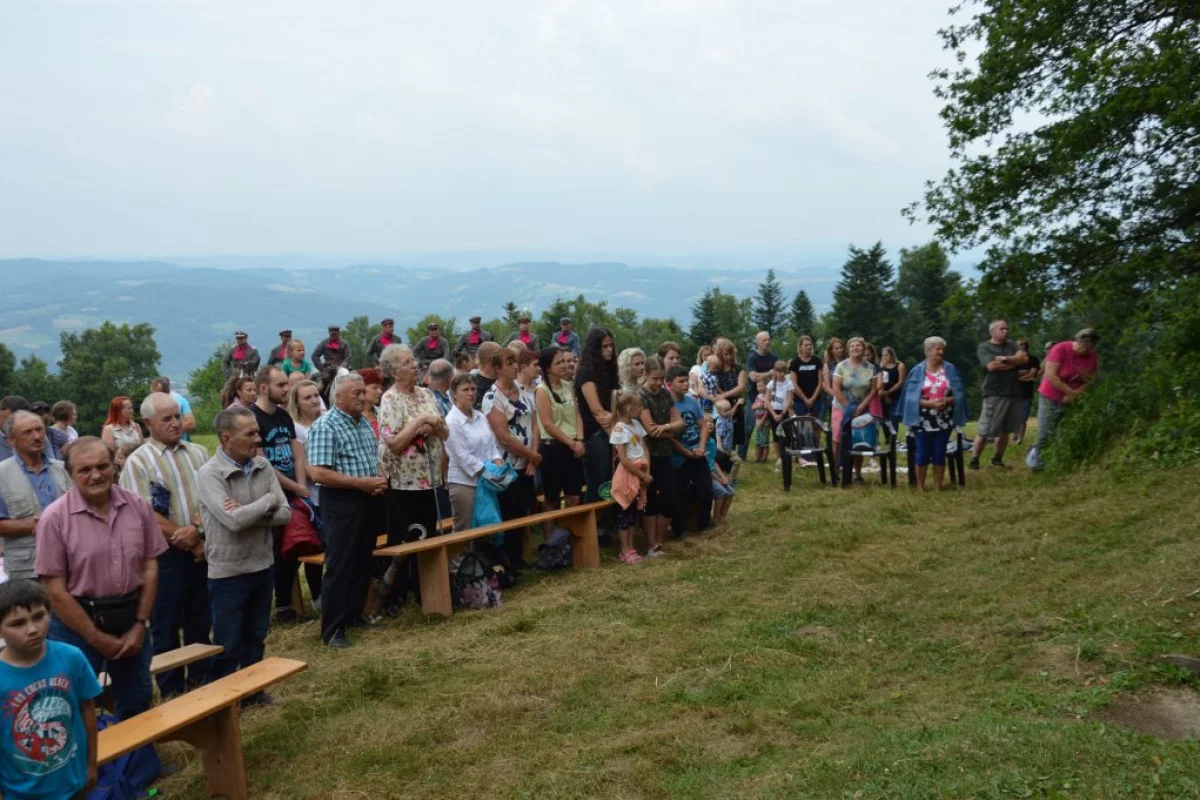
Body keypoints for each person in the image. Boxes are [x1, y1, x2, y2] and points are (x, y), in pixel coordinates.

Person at [36, 437, 163, 720]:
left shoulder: (138, 506)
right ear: (70, 474)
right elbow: (54, 591)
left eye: (102, 466)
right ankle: (83, 764)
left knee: (137, 697)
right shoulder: (54, 519)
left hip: (131, 618)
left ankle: (138, 762)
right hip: (76, 626)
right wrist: (96, 638)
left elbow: (150, 567)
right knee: (71, 703)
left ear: (114, 466)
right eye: (85, 469)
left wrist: (140, 624)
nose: (95, 475)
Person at [119, 393, 212, 697]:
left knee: (201, 616)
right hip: (164, 556)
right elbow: (143, 514)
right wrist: (185, 538)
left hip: (202, 548)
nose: (176, 423)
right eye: (167, 419)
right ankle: (172, 687)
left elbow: (211, 499)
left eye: (178, 416)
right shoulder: (138, 462)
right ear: (147, 423)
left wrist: (198, 532)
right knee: (166, 621)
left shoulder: (198, 453)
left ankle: (201, 677)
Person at [197, 408, 291, 693]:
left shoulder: (262, 465)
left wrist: (251, 511)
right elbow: (233, 521)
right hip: (229, 572)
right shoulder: (209, 474)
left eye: (257, 432)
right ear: (227, 438)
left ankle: (253, 693)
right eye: (250, 433)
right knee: (228, 641)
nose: (258, 439)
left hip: (263, 564)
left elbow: (285, 513)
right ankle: (224, 699)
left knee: (257, 635)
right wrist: (266, 502)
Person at [305, 373, 388, 648]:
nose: (362, 398)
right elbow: (317, 472)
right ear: (338, 397)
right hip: (341, 501)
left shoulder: (363, 421)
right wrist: (358, 483)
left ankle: (354, 615)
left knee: (363, 560)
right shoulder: (326, 426)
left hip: (367, 498)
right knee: (340, 564)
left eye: (363, 392)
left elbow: (371, 458)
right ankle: (332, 629)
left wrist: (376, 480)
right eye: (356, 393)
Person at [0, 580, 103, 799]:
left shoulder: (71, 657)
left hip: (73, 783)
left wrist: (91, 764)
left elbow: (87, 710)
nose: (33, 629)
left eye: (39, 616)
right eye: (17, 623)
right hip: (21, 792)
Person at [377, 345, 448, 609]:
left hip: (430, 480)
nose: (415, 365)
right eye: (408, 362)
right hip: (403, 483)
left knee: (428, 536)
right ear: (394, 371)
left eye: (414, 361)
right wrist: (423, 422)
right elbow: (395, 443)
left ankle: (425, 591)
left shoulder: (427, 394)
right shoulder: (390, 399)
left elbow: (444, 431)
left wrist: (432, 423)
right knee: (402, 539)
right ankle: (395, 595)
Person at [250, 366, 311, 624]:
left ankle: (287, 605)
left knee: (292, 549)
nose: (287, 389)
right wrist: (295, 487)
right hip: (268, 494)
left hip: (293, 492)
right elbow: (263, 464)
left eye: (287, 384)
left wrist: (300, 486)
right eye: (281, 385)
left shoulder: (284, 417)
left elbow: (298, 455)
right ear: (264, 388)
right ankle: (274, 609)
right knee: (274, 552)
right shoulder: (253, 418)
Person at [482, 347, 541, 566]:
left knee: (522, 509)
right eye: (509, 363)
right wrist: (531, 455)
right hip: (507, 464)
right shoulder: (491, 397)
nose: (515, 366)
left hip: (528, 462)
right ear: (497, 368)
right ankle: (506, 562)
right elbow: (504, 436)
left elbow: (534, 423)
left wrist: (533, 458)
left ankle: (518, 558)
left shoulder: (523, 390)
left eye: (515, 362)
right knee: (508, 511)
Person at [0, 412, 70, 580]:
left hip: (67, 562)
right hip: (26, 569)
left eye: (40, 430)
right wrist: (43, 523)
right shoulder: (2, 474)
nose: (37, 436)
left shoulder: (63, 469)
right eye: (27, 432)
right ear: (11, 440)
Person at [900, 337, 968, 490]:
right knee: (923, 453)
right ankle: (920, 486)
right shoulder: (916, 371)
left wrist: (947, 401)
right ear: (928, 351)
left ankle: (938, 486)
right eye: (938, 349)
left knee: (939, 452)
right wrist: (929, 403)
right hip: (922, 419)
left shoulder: (950, 369)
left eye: (942, 349)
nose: (941, 352)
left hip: (944, 418)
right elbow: (909, 397)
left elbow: (960, 393)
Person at [1030, 328, 1100, 465]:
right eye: (1083, 346)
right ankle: (1035, 461)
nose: (1085, 351)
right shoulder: (1060, 349)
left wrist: (1076, 394)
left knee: (1065, 430)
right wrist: (1070, 392)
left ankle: (1059, 461)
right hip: (1051, 395)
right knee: (1046, 432)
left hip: (1074, 398)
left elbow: (1091, 379)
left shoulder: (1091, 356)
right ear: (1078, 340)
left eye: (1089, 348)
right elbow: (1051, 376)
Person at [445, 374, 503, 532]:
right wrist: (490, 473)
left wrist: (499, 464)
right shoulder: (451, 421)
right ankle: (458, 558)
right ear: (454, 393)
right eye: (465, 389)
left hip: (487, 480)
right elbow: (463, 457)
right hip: (465, 483)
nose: (471, 393)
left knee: (487, 527)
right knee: (465, 529)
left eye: (473, 389)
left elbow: (492, 446)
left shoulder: (480, 417)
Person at [535, 347, 585, 532]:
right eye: (559, 363)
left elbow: (577, 414)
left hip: (574, 445)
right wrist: (570, 442)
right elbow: (548, 424)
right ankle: (550, 541)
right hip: (554, 447)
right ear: (548, 368)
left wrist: (579, 440)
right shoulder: (542, 390)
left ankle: (572, 536)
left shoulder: (567, 386)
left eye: (565, 361)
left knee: (574, 496)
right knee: (552, 497)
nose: (564, 365)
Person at [637, 356, 681, 559]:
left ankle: (659, 539)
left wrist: (667, 428)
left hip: (665, 452)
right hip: (647, 454)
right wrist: (672, 431)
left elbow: (679, 421)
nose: (658, 383)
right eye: (655, 378)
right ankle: (651, 544)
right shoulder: (640, 396)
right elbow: (649, 429)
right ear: (645, 374)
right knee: (651, 501)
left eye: (661, 378)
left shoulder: (665, 393)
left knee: (671, 499)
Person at [970, 319, 1028, 470]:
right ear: (992, 331)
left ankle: (997, 459)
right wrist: (1015, 363)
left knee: (1006, 429)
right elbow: (991, 367)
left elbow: (1025, 359)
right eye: (1002, 329)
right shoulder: (985, 347)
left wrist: (1004, 360)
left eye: (1006, 328)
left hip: (1014, 392)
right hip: (994, 392)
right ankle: (974, 460)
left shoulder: (1012, 345)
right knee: (985, 429)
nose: (1005, 331)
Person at [575, 327, 618, 513]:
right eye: (604, 346)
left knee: (609, 482)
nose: (609, 350)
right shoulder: (587, 372)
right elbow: (597, 410)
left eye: (611, 345)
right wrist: (615, 437)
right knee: (597, 483)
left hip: (610, 429)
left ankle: (604, 527)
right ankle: (589, 531)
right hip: (594, 433)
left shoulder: (608, 370)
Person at [667, 365, 712, 539]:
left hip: (698, 453)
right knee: (680, 494)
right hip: (679, 457)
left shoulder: (692, 401)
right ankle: (679, 531)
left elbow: (703, 426)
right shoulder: (668, 405)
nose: (686, 384)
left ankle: (703, 525)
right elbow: (668, 437)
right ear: (670, 384)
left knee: (706, 490)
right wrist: (685, 452)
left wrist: (701, 447)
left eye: (687, 380)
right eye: (681, 381)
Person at [832, 337, 881, 483]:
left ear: (864, 348)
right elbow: (836, 388)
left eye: (859, 345)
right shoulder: (841, 366)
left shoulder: (871, 368)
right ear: (848, 349)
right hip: (841, 407)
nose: (855, 348)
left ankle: (857, 474)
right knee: (837, 440)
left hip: (862, 408)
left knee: (858, 441)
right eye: (852, 346)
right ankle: (836, 472)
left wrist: (860, 408)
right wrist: (849, 407)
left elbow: (873, 390)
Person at [609, 391, 650, 565]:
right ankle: (624, 549)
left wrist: (647, 470)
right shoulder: (619, 429)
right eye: (639, 405)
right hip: (628, 475)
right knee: (625, 512)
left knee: (634, 513)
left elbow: (644, 447)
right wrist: (641, 474)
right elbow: (624, 459)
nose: (642, 408)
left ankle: (632, 547)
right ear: (628, 408)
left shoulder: (636, 425)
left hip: (641, 472)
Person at [711, 338, 748, 458]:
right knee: (721, 435)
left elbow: (741, 387)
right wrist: (721, 395)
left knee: (734, 436)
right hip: (721, 407)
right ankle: (722, 461)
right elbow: (713, 384)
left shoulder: (738, 368)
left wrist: (724, 395)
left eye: (731, 353)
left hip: (736, 405)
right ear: (720, 354)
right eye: (726, 354)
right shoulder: (717, 369)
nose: (729, 357)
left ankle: (731, 462)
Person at [706, 416, 735, 526]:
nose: (709, 424)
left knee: (731, 492)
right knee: (721, 492)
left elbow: (713, 461)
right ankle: (715, 520)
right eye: (706, 422)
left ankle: (721, 517)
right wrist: (718, 479)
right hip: (706, 474)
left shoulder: (712, 441)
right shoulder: (700, 442)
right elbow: (705, 467)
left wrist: (722, 476)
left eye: (711, 422)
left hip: (714, 473)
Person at [151, 376, 197, 442]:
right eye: (153, 393)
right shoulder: (151, 403)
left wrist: (170, 429)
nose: (154, 396)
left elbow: (191, 424)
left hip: (181, 444)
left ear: (167, 391)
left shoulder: (179, 400)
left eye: (157, 393)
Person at [765, 360, 794, 464]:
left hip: (784, 412)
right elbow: (767, 400)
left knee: (787, 434)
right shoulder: (771, 384)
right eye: (779, 371)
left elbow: (789, 400)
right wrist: (774, 414)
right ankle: (779, 458)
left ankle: (787, 455)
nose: (781, 374)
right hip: (773, 412)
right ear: (775, 372)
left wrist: (782, 414)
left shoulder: (789, 383)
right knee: (776, 435)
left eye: (783, 371)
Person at [789, 335, 824, 419]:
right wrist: (805, 399)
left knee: (816, 424)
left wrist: (813, 398)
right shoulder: (795, 362)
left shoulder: (817, 360)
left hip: (815, 399)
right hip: (800, 400)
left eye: (810, 345)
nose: (809, 347)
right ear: (800, 347)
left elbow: (820, 382)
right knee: (801, 424)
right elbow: (794, 383)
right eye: (806, 345)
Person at [1015, 338, 1041, 444]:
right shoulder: (1014, 360)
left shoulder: (1033, 359)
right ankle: (1016, 435)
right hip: (1014, 392)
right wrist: (1024, 374)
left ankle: (1020, 438)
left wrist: (1020, 375)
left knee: (1023, 416)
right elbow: (1011, 375)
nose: (1021, 346)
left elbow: (1033, 374)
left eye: (1023, 344)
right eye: (1019, 344)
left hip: (1027, 391)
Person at [878, 347, 906, 422]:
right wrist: (885, 395)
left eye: (886, 355)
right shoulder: (881, 367)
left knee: (895, 416)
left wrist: (889, 392)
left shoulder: (900, 365)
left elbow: (901, 382)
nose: (884, 357)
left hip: (896, 395)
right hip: (884, 395)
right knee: (884, 418)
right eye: (883, 355)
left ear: (892, 355)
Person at [822, 337, 846, 421]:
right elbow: (827, 387)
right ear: (831, 350)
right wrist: (839, 397)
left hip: (850, 397)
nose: (839, 350)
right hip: (834, 399)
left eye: (841, 347)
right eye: (836, 348)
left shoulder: (849, 362)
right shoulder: (828, 365)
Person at [472, 341, 502, 410]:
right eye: (500, 357)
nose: (502, 360)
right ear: (490, 359)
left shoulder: (503, 382)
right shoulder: (474, 389)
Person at [358, 368, 384, 439]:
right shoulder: (353, 417)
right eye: (375, 388)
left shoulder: (381, 412)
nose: (380, 392)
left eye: (380, 388)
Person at [750, 380, 770, 462]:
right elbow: (753, 407)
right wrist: (759, 406)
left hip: (764, 422)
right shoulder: (759, 395)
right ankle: (758, 457)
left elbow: (767, 411)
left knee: (764, 440)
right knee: (757, 440)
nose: (758, 388)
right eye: (757, 386)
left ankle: (764, 458)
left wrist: (762, 421)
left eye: (760, 386)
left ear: (766, 386)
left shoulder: (768, 396)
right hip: (757, 421)